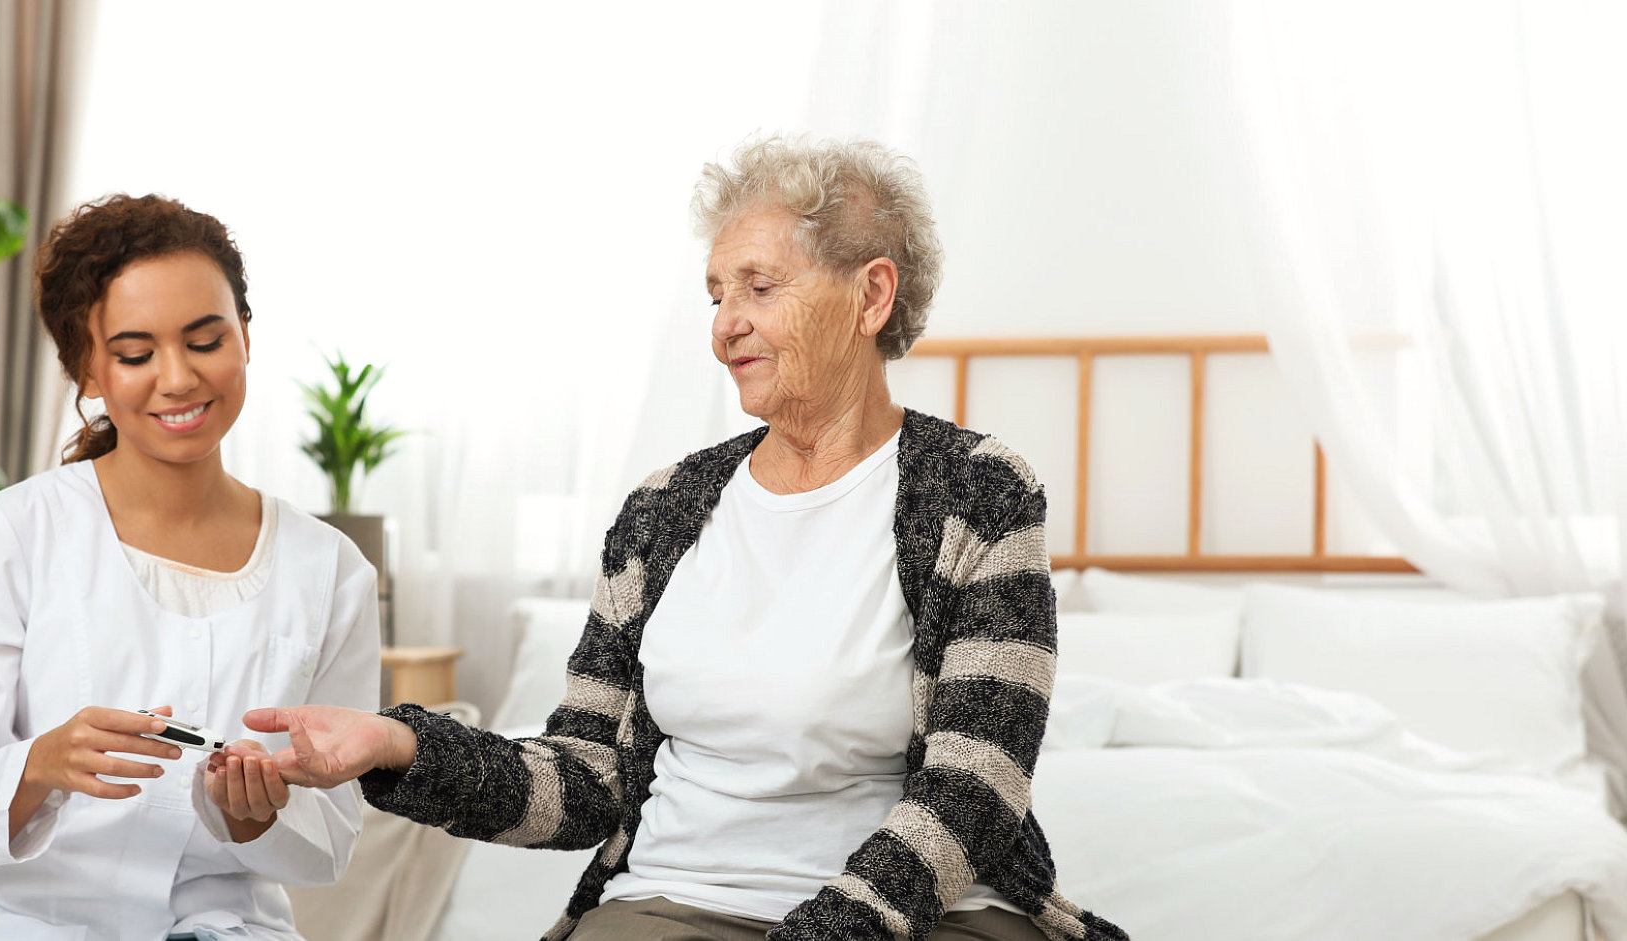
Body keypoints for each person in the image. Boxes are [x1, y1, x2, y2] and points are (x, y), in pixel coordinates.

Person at [238, 137, 1129, 941]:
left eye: (759, 287)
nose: (724, 324)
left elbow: (977, 788)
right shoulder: (663, 510)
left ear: (872, 294)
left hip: (919, 916)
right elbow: (586, 779)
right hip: (676, 900)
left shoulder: (978, 493)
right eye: (716, 294)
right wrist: (398, 744)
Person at [0, 194, 381, 941]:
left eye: (205, 339)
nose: (178, 378)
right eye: (135, 353)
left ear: (246, 337)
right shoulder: (11, 533)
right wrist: (40, 764)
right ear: (88, 370)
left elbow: (333, 837)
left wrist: (251, 818)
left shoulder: (331, 569)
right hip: (15, 924)